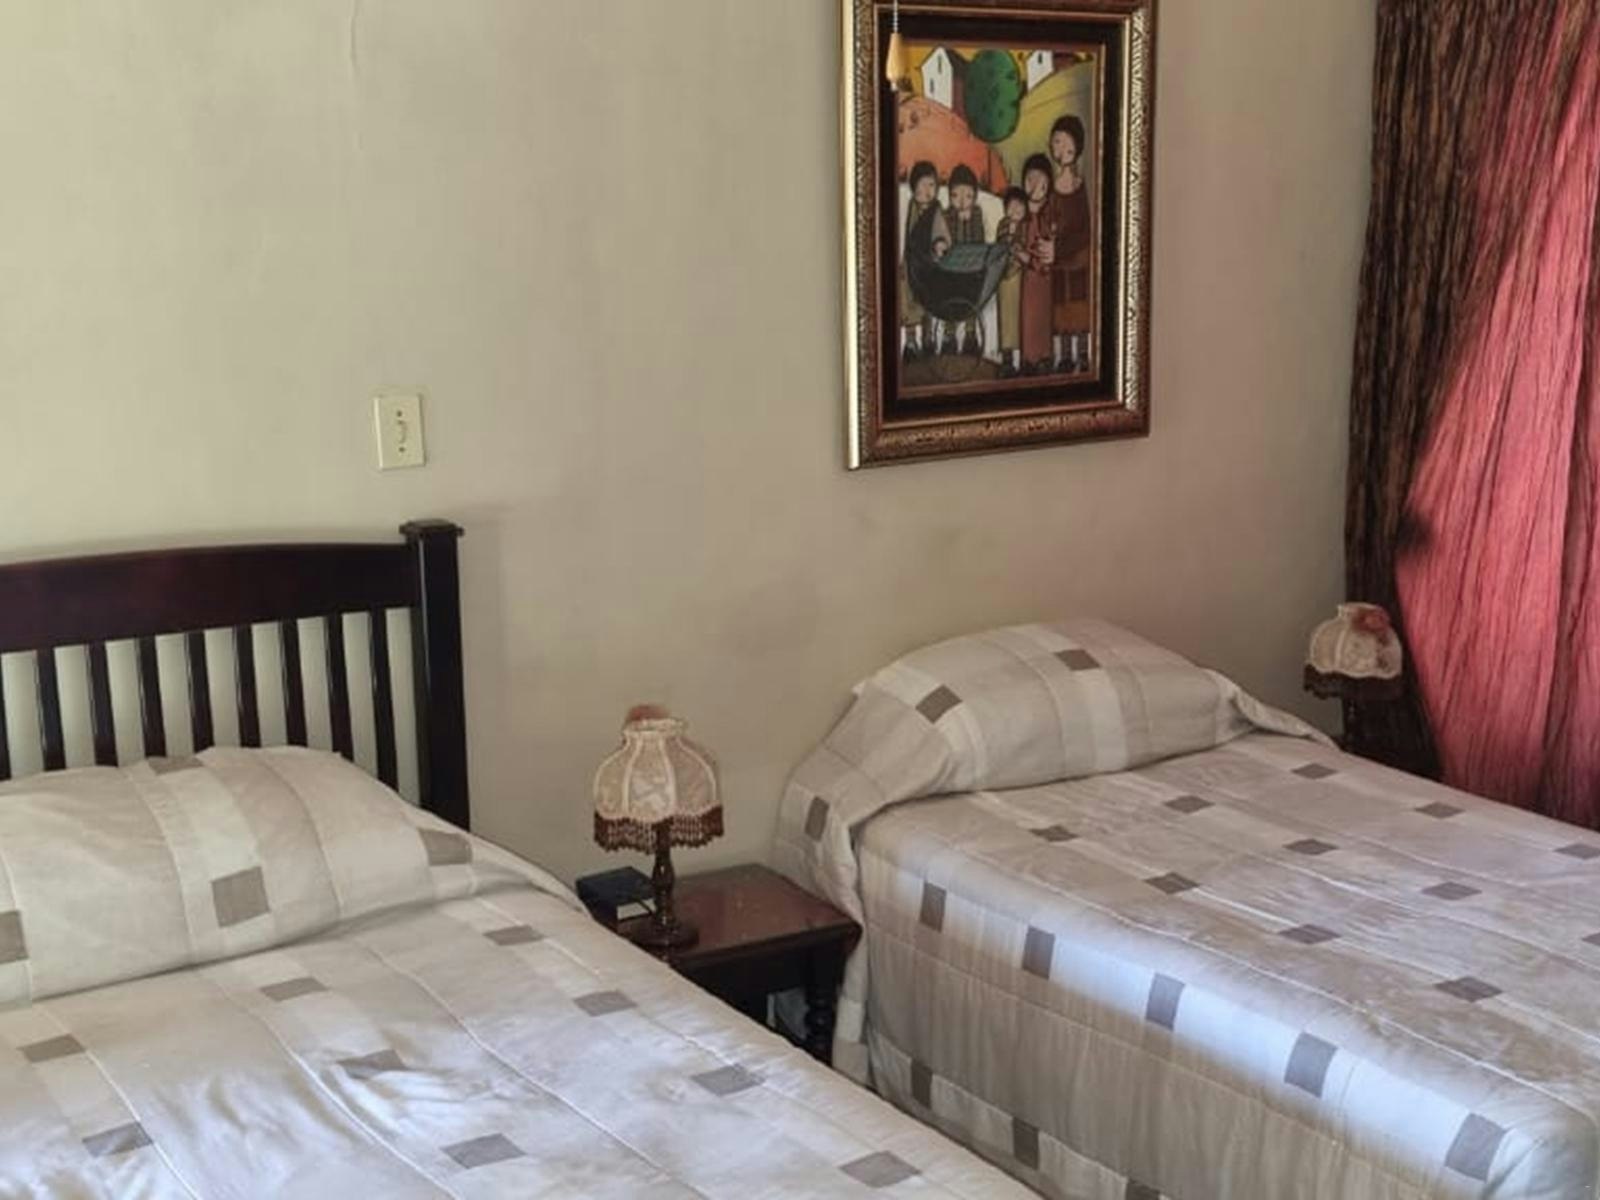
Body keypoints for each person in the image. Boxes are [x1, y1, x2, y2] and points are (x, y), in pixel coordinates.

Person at [1046, 114, 1093, 373]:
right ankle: (1064, 355)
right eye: (1056, 142)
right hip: (1059, 259)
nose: (1061, 149)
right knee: (1060, 309)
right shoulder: (1051, 189)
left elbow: (1086, 228)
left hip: (1079, 258)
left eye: (1066, 143)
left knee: (1080, 307)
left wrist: (1067, 245)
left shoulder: (1081, 186)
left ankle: (1083, 353)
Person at [899, 161, 949, 362]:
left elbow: (942, 232)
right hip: (911, 263)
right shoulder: (910, 207)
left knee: (927, 304)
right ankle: (911, 343)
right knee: (909, 303)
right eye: (922, 185)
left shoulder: (936, 210)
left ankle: (928, 340)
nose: (927, 191)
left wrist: (940, 243)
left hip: (928, 264)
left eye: (931, 185)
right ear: (914, 188)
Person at [1017, 154, 1058, 373]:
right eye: (1029, 179)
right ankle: (1028, 358)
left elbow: (1051, 240)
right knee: (1028, 315)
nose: (1034, 186)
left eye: (1040, 181)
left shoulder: (1049, 213)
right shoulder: (1021, 213)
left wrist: (1035, 259)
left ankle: (1044, 357)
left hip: (1045, 276)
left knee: (1043, 316)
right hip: (1027, 278)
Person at [944, 164, 986, 357]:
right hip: (951, 269)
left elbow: (980, 240)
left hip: (971, 268)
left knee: (971, 300)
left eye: (968, 196)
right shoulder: (947, 215)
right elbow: (944, 240)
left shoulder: (976, 214)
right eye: (956, 196)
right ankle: (949, 337)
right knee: (950, 300)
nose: (961, 202)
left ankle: (970, 336)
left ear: (974, 197)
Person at [995, 186, 1028, 377]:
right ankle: (1007, 360)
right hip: (1005, 278)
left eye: (1019, 205)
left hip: (1022, 277)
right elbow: (999, 246)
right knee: (1006, 320)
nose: (1015, 210)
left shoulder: (1027, 226)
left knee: (1022, 319)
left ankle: (1024, 359)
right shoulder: (1003, 224)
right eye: (1011, 206)